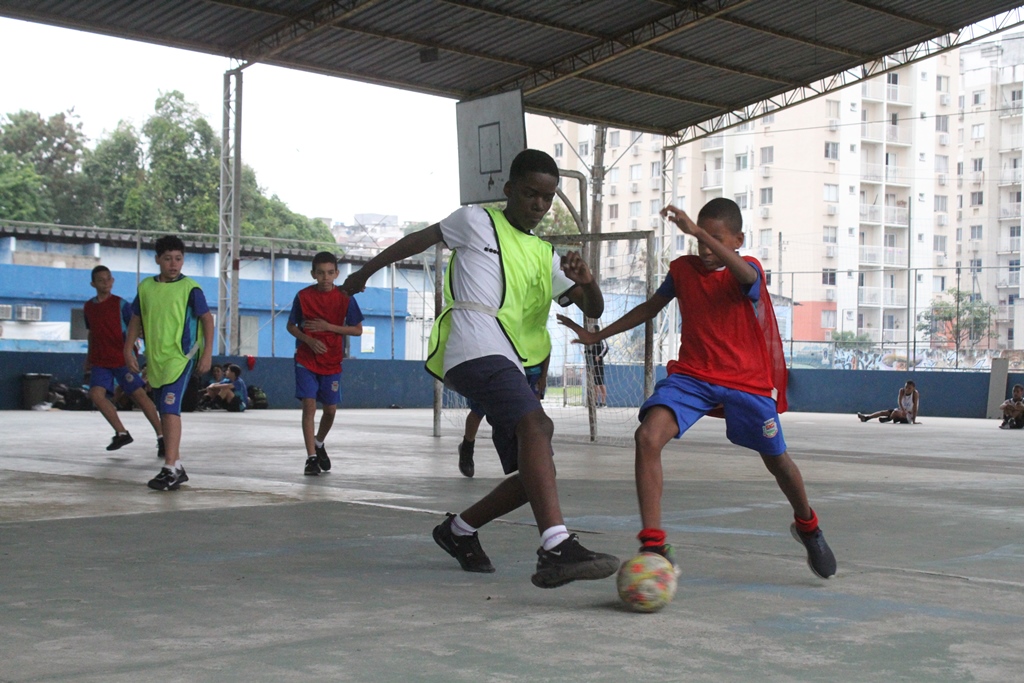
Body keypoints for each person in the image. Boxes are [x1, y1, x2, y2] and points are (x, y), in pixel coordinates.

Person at [342, 149, 620, 589]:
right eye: (530, 194)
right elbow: (420, 238)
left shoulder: (547, 255)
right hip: (471, 345)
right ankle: (555, 546)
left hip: (515, 358)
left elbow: (594, 309)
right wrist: (366, 272)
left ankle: (458, 531)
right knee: (536, 424)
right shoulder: (475, 221)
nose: (539, 205)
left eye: (547, 199)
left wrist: (587, 282)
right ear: (509, 190)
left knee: (535, 472)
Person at [558, 198, 837, 580]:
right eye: (699, 243)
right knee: (647, 437)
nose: (704, 250)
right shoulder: (683, 270)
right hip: (693, 376)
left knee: (778, 462)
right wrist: (597, 334)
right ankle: (653, 544)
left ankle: (809, 526)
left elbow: (746, 276)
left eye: (714, 240)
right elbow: (650, 308)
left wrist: (698, 231)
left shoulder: (748, 269)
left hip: (745, 381)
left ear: (738, 239)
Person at [124, 235, 214, 491]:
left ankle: (170, 466)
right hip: (156, 360)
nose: (173, 264)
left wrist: (207, 353)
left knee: (170, 408)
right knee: (164, 410)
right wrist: (128, 349)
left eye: (178, 259)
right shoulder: (145, 288)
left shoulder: (191, 289)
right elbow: (135, 320)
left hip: (181, 357)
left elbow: (207, 319)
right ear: (157, 260)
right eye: (167, 259)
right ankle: (177, 467)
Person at [287, 251, 364, 476]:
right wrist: (308, 340)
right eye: (320, 273)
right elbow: (291, 326)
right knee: (309, 405)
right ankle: (311, 458)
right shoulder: (302, 296)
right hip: (306, 359)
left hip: (332, 362)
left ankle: (319, 443)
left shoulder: (345, 298)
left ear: (337, 274)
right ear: (313, 274)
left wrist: (330, 327)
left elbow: (358, 330)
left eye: (330, 273)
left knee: (330, 410)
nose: (325, 278)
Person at [83, 265, 164, 457]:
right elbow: (91, 334)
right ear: (93, 284)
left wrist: (145, 352)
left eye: (108, 279)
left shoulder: (121, 305)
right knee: (96, 395)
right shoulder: (88, 307)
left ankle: (162, 436)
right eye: (101, 280)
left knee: (139, 395)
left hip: (122, 359)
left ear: (112, 281)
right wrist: (88, 358)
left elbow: (138, 328)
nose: (106, 283)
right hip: (100, 361)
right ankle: (121, 433)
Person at [458, 356, 548, 478]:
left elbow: (546, 348)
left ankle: (531, 455)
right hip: (502, 369)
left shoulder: (540, 338)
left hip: (532, 372)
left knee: (533, 413)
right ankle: (467, 447)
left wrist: (543, 376)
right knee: (479, 410)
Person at [583, 324, 608, 407]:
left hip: (599, 364)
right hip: (594, 364)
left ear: (596, 330)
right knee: (595, 384)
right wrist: (588, 352)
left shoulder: (601, 338)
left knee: (600, 383)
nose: (591, 330)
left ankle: (603, 402)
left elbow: (606, 348)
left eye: (592, 329)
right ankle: (596, 402)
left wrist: (600, 356)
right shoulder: (594, 340)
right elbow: (593, 352)